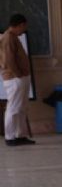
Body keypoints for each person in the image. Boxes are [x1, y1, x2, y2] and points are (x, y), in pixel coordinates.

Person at [1, 14, 34, 146]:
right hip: (15, 78)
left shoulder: (13, 37)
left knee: (21, 107)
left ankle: (20, 135)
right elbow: (9, 60)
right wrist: (18, 74)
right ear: (20, 25)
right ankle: (10, 137)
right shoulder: (8, 37)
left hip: (20, 77)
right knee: (13, 107)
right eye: (24, 26)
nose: (24, 30)